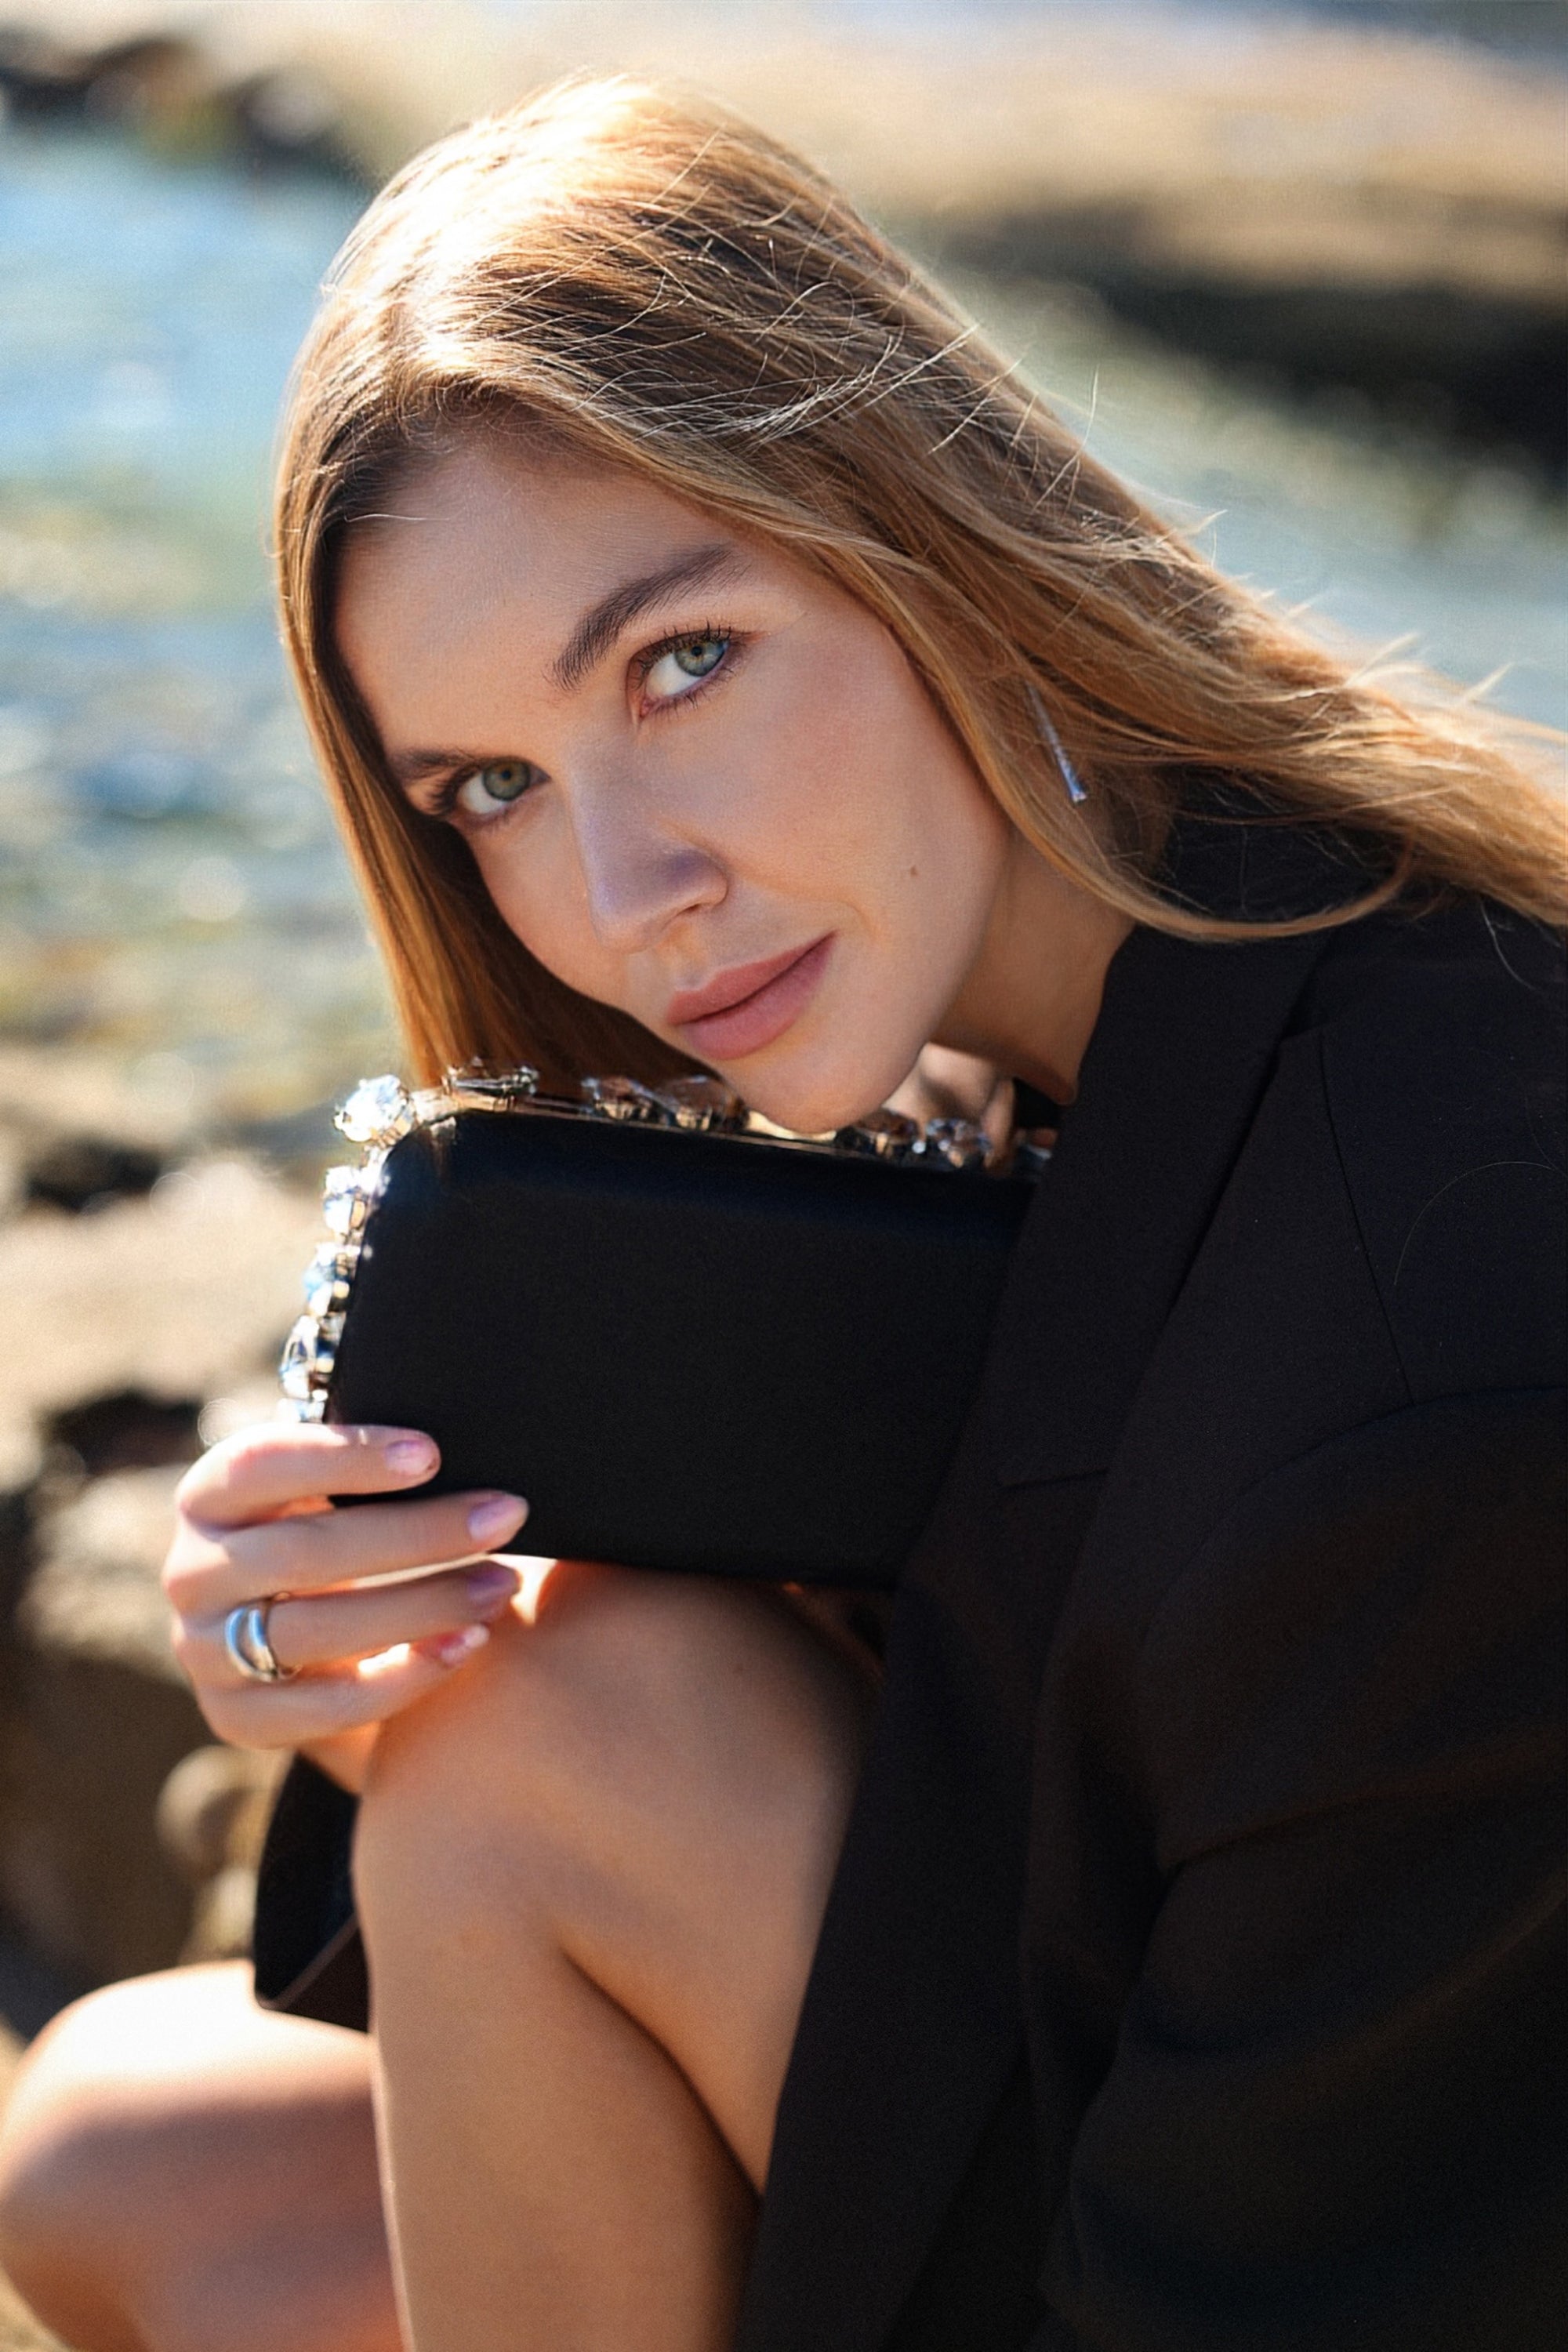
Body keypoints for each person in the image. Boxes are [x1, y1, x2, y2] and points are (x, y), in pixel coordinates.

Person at [0, 77, 1561, 2352]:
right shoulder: (989, 1044)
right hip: (1099, 2037)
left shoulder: (1441, 1336)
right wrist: (370, 1632)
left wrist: (535, 1721)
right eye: (497, 789)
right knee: (128, 2141)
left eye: (682, 663)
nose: (626, 900)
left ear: (933, 534)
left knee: (550, 1752)